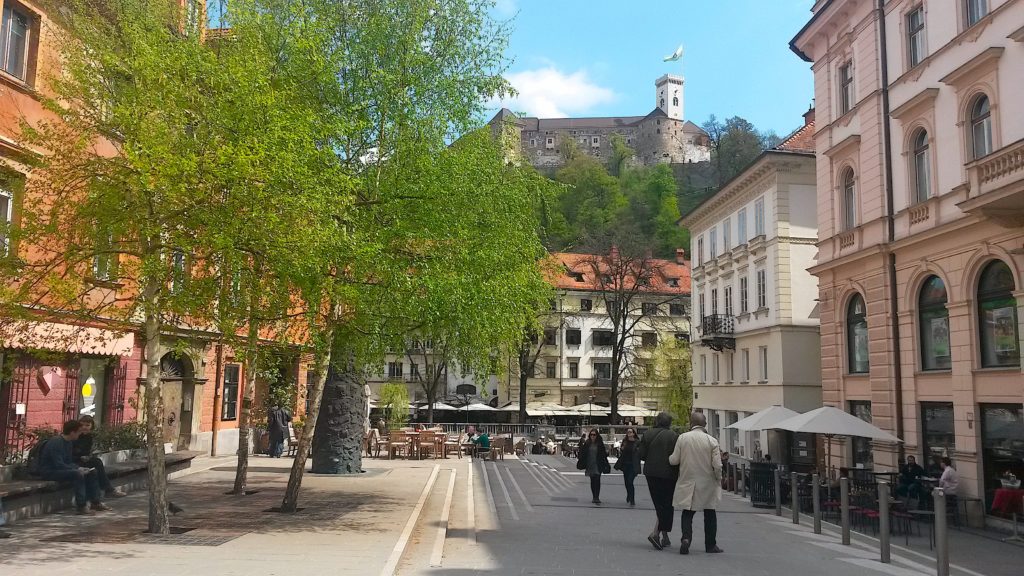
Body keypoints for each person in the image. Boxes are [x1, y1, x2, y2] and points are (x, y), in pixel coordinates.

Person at [669, 411, 724, 555]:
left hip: (688, 481)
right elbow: (717, 465)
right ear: (704, 424)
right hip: (707, 482)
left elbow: (674, 460)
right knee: (710, 513)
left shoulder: (683, 438)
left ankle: (686, 538)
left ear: (691, 423)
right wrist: (718, 478)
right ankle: (710, 545)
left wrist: (669, 458)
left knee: (687, 512)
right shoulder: (711, 441)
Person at [39, 421, 107, 514]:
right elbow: (58, 464)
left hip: (61, 469)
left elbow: (68, 462)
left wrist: (80, 468)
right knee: (77, 474)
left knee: (92, 472)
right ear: (72, 432)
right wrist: (77, 469)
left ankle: (95, 502)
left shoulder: (69, 443)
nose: (80, 434)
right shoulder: (56, 442)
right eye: (79, 432)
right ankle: (81, 506)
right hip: (50, 471)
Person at [639, 412, 679, 550]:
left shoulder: (647, 434)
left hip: (651, 472)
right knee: (667, 504)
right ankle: (656, 533)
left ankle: (664, 535)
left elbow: (641, 454)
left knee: (658, 504)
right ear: (669, 423)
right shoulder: (674, 436)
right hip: (669, 474)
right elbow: (677, 457)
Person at [73, 416, 127, 498]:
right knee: (96, 463)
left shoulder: (89, 437)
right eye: (82, 425)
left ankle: (104, 492)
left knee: (96, 464)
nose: (84, 427)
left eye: (87, 425)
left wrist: (87, 456)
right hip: (72, 461)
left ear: (91, 427)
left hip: (82, 461)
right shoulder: (75, 436)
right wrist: (80, 457)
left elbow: (86, 451)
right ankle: (107, 490)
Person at [576, 428, 610, 504]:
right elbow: (583, 453)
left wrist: (606, 460)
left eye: (594, 435)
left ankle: (597, 497)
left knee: (597, 480)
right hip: (590, 464)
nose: (592, 436)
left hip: (598, 464)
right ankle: (594, 496)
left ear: (597, 435)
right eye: (591, 435)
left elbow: (603, 454)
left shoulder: (600, 444)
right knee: (592, 481)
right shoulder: (587, 443)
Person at [616, 427, 641, 506]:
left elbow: (640, 452)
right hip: (625, 464)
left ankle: (632, 499)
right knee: (626, 482)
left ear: (633, 433)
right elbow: (622, 450)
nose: (629, 433)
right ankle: (629, 494)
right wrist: (622, 448)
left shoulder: (637, 442)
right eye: (628, 432)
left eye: (630, 432)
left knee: (630, 481)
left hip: (633, 465)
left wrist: (638, 451)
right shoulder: (625, 441)